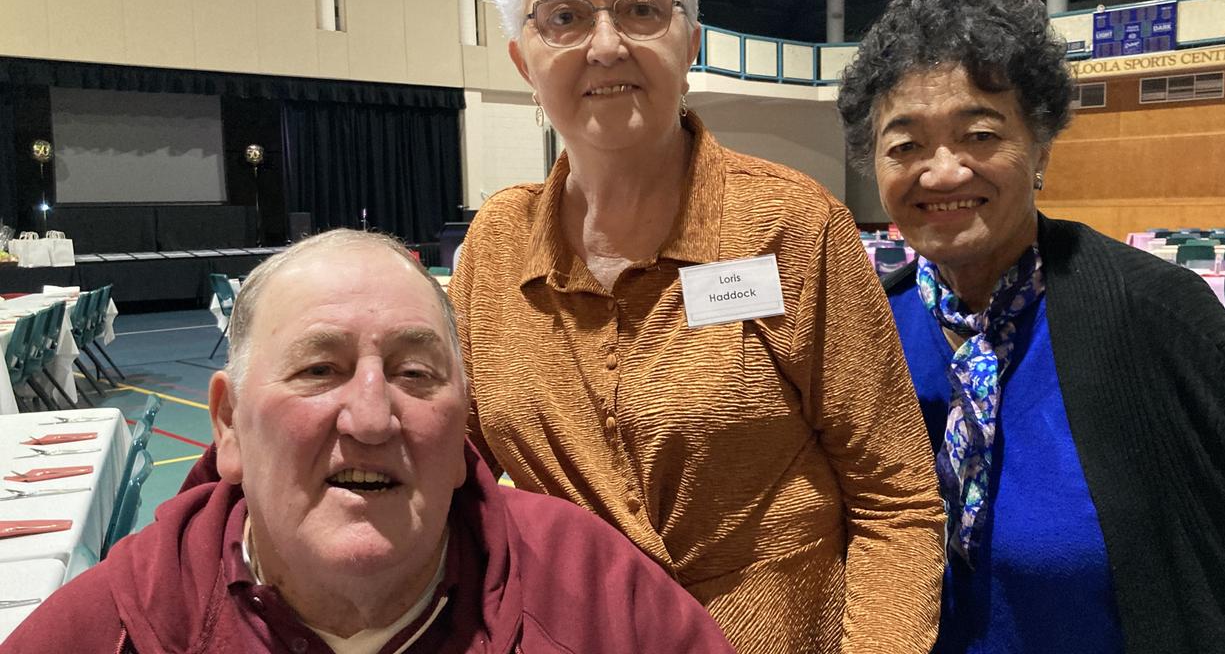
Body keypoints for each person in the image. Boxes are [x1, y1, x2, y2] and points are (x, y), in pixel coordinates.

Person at [448, 0, 945, 652]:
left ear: (691, 44)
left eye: (641, 8)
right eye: (563, 17)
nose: (606, 45)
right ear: (523, 60)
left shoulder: (792, 226)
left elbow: (893, 498)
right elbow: (449, 475)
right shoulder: (496, 242)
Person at [5, 230, 736, 654]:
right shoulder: (111, 630)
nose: (370, 417)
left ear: (462, 429)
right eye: (319, 369)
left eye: (414, 373)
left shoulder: (599, 598)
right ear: (226, 425)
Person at [838, 0, 1225, 654]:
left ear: (1040, 145)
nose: (943, 171)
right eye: (905, 146)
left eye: (979, 134)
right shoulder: (863, 334)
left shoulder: (1157, 315)